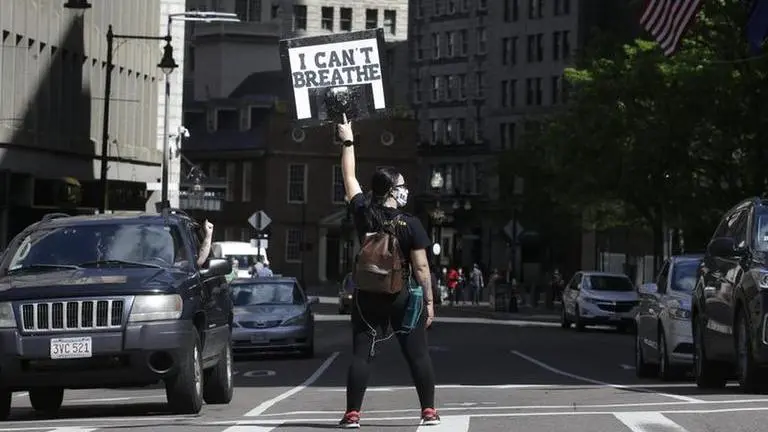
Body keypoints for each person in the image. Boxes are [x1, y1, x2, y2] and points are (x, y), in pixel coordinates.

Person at [337, 115, 440, 428]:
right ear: (394, 190)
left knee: (361, 353)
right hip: (402, 296)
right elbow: (421, 267)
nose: (406, 190)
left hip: (367, 295)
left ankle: (353, 414)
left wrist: (348, 140)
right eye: (402, 186)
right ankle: (429, 412)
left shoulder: (363, 214)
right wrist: (430, 303)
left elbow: (349, 177)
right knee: (417, 354)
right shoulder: (412, 224)